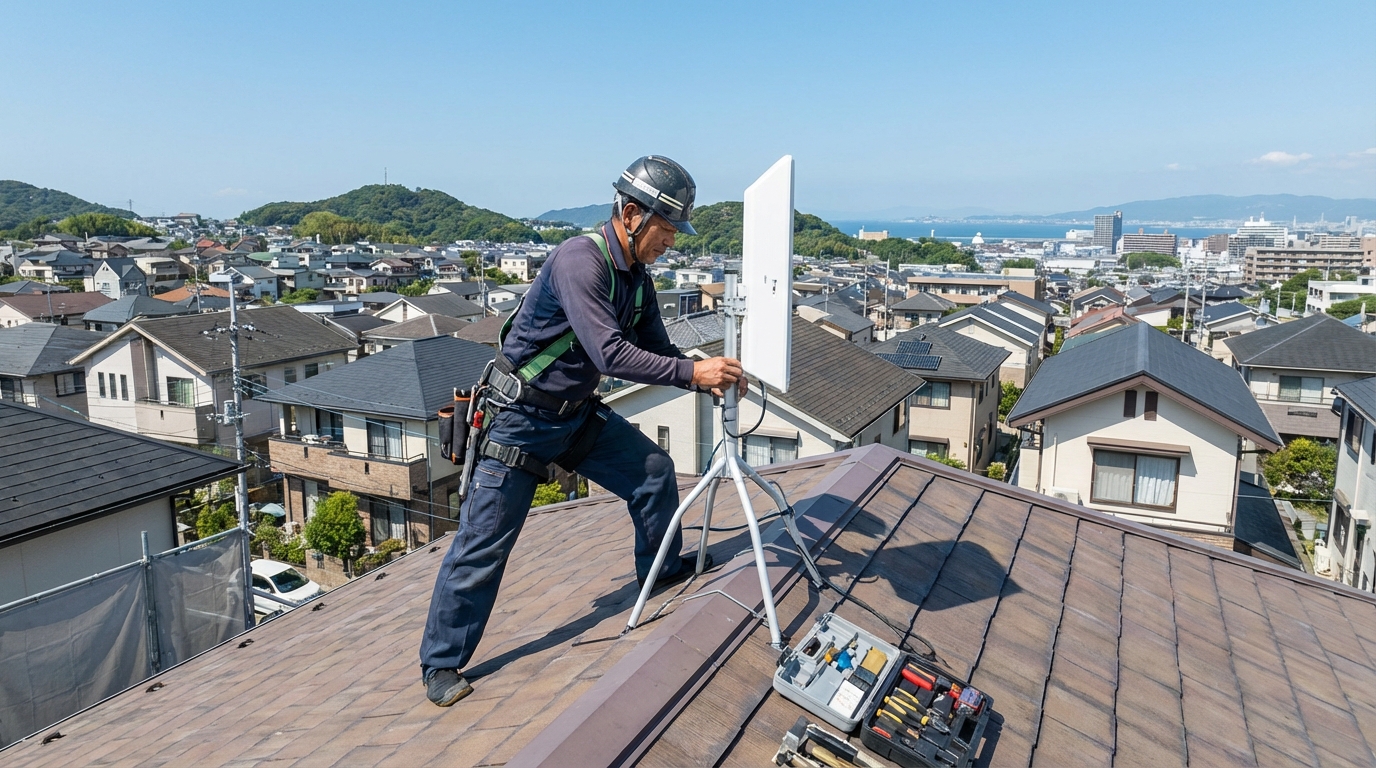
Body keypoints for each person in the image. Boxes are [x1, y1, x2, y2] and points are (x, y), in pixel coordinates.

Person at [419, 156, 747, 707]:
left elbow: (657, 351)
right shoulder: (580, 261)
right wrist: (693, 372)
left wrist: (703, 377)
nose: (669, 243)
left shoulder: (637, 281)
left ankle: (661, 569)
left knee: (652, 472)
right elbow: (609, 353)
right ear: (631, 214)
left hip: (570, 414)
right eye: (665, 230)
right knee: (485, 543)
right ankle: (441, 662)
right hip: (519, 420)